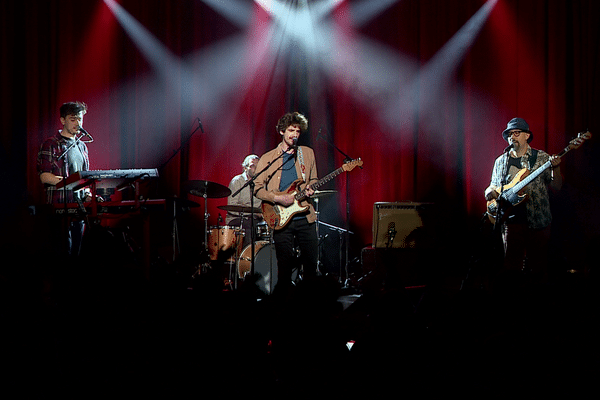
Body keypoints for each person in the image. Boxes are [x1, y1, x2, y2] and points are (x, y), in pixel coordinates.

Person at [484, 117, 562, 283]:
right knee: (512, 270)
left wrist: (556, 167)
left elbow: (557, 186)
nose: (512, 137)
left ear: (527, 136)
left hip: (538, 220)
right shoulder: (501, 161)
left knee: (538, 269)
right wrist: (489, 193)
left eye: (517, 133)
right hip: (511, 221)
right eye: (510, 134)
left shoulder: (540, 157)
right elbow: (493, 186)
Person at [254, 112, 319, 293]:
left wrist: (312, 187)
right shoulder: (268, 158)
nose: (295, 134)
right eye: (291, 130)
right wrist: (277, 198)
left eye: (298, 131)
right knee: (284, 265)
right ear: (282, 131)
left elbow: (314, 178)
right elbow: (257, 189)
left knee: (310, 264)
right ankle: (282, 304)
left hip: (305, 217)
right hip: (281, 219)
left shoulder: (307, 153)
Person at [37, 101, 92, 256]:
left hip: (78, 207)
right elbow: (44, 176)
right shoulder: (51, 144)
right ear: (63, 120)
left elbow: (84, 176)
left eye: (80, 119)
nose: (77, 123)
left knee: (77, 252)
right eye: (73, 119)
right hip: (59, 205)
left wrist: (88, 192)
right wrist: (69, 182)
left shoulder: (82, 146)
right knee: (61, 253)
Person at [226, 155, 262, 242]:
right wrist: (252, 211)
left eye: (258, 166)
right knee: (250, 226)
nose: (256, 169)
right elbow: (232, 206)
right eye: (253, 166)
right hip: (236, 219)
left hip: (255, 220)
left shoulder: (261, 183)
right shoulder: (237, 181)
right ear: (245, 168)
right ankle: (247, 255)